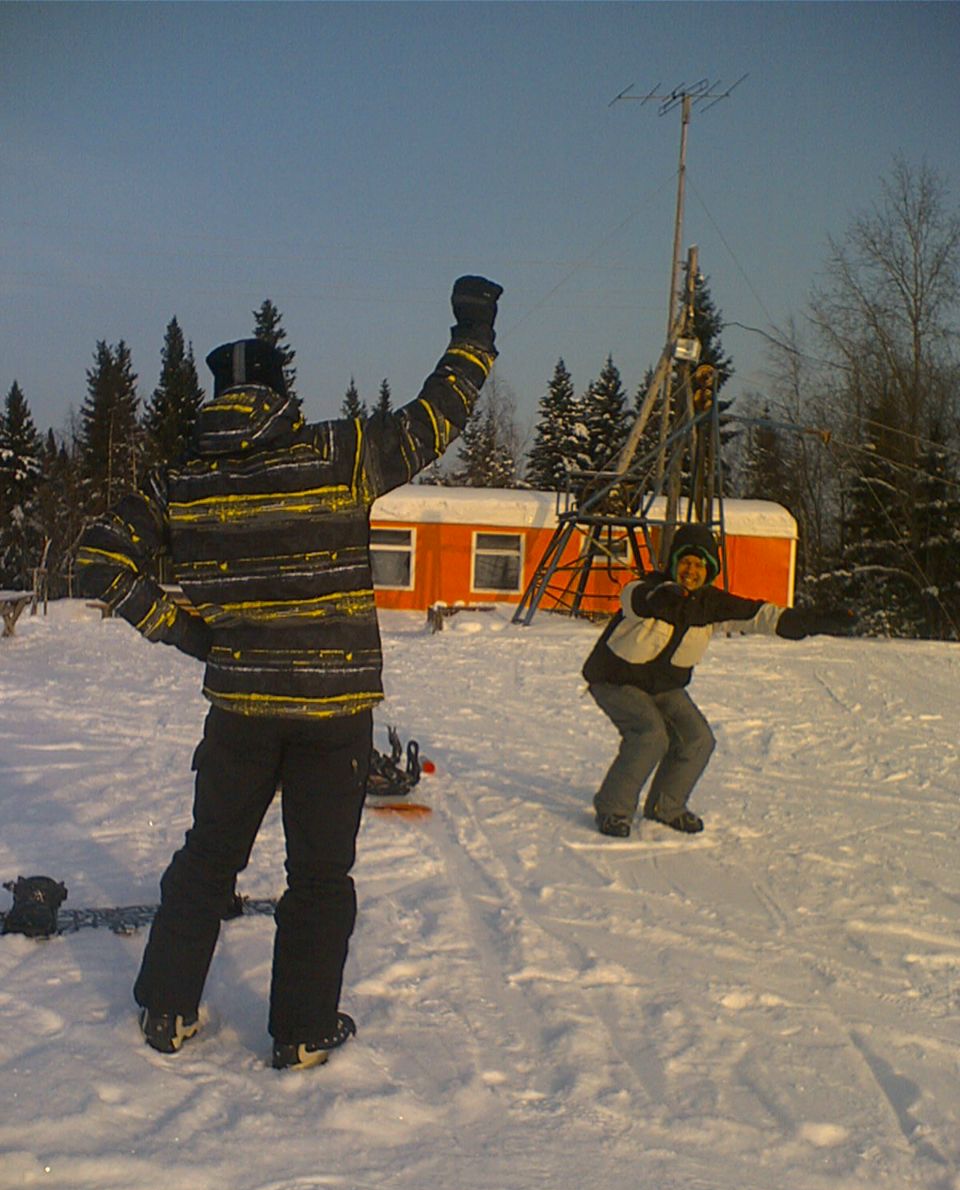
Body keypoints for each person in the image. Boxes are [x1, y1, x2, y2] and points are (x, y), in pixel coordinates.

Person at [77, 275, 501, 1068]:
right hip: (333, 713)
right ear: (279, 393)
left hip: (239, 708)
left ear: (215, 396)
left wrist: (188, 633)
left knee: (208, 858)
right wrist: (472, 334)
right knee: (319, 874)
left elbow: (96, 563)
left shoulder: (180, 481)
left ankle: (168, 1011)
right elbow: (437, 417)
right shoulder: (337, 454)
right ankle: (301, 1031)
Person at [582, 520, 850, 839]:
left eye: (699, 565)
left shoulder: (712, 604)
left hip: (663, 686)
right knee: (650, 735)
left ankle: (666, 807)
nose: (690, 571)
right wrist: (658, 599)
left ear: (709, 570)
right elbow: (632, 598)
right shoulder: (651, 589)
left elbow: (762, 616)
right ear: (673, 563)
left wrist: (814, 620)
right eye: (685, 562)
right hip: (615, 680)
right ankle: (613, 810)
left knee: (698, 739)